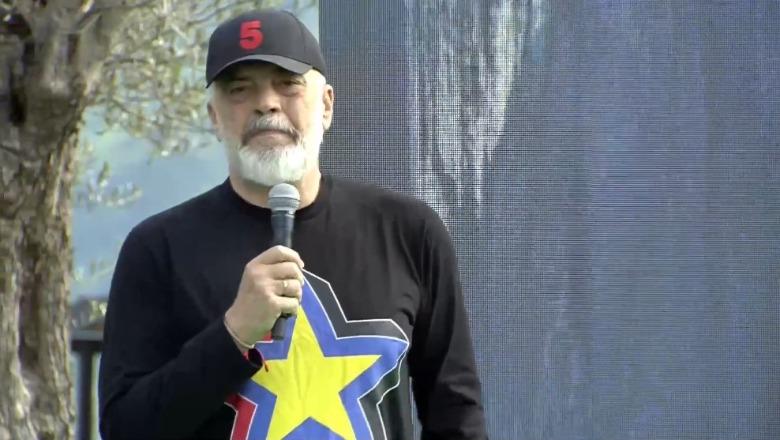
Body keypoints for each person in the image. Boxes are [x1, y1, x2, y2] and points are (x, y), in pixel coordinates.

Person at [98, 8, 487, 440]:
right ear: (214, 117)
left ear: (326, 105)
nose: (266, 103)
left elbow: (457, 416)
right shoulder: (158, 249)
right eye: (239, 89)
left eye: (288, 84)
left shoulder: (408, 232)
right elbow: (123, 428)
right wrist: (234, 334)